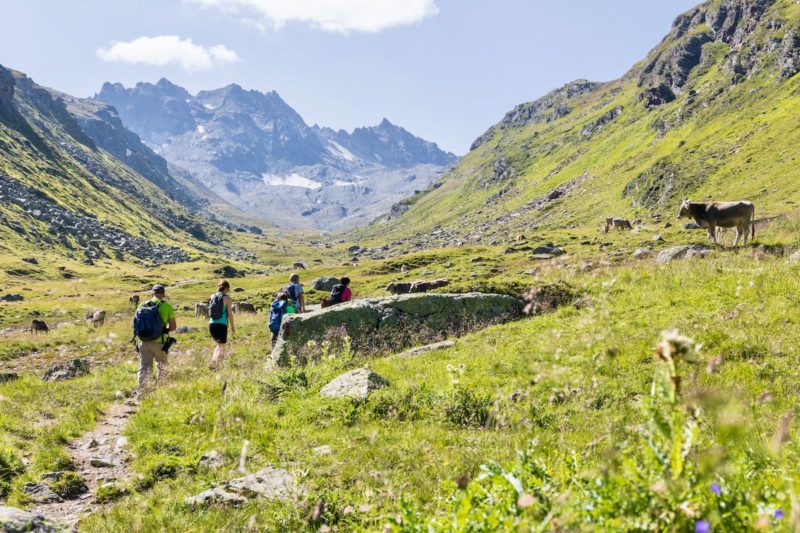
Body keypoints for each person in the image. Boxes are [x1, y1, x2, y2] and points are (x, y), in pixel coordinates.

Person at [134, 284, 176, 394]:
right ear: (164, 294)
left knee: (144, 367)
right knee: (162, 366)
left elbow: (135, 324)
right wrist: (164, 330)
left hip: (143, 342)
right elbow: (173, 327)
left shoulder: (142, 305)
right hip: (160, 343)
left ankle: (141, 392)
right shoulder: (167, 307)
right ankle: (160, 392)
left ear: (152, 293)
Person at [208, 279, 235, 371]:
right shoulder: (227, 298)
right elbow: (230, 314)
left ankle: (213, 363)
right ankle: (215, 367)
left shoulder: (212, 296)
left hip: (212, 324)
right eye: (228, 289)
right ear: (226, 288)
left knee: (219, 345)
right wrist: (232, 327)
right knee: (222, 346)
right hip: (221, 324)